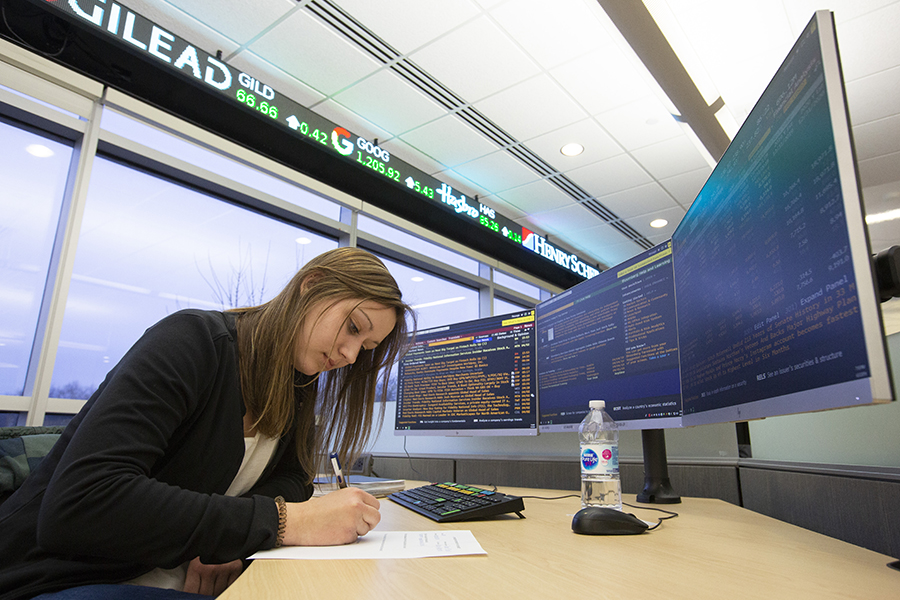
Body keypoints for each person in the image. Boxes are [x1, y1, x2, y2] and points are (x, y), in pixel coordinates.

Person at [0, 247, 415, 600]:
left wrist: (235, 535)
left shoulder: (297, 382)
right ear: (311, 285)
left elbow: (295, 478)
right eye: (353, 327)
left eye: (367, 347)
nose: (350, 354)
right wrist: (280, 523)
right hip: (61, 577)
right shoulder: (192, 341)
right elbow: (82, 503)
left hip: (163, 570)